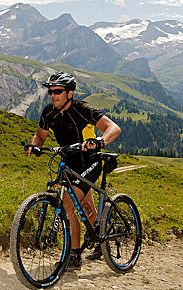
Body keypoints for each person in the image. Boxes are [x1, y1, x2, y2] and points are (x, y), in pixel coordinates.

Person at [25, 71, 121, 268]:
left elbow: (114, 128)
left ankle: (74, 254)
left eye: (58, 91)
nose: (53, 95)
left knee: (68, 202)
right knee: (84, 204)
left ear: (69, 93)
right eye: (50, 91)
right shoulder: (48, 112)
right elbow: (40, 136)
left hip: (89, 161)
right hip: (68, 161)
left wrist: (99, 141)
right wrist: (34, 145)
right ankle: (101, 235)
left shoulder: (82, 109)